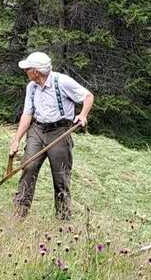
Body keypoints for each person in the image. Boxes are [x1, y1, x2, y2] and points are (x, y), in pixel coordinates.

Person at [9, 52, 94, 220]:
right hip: (37, 130)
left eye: (27, 69)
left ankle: (63, 219)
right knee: (28, 168)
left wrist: (83, 115)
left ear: (36, 72)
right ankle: (19, 214)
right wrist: (16, 139)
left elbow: (88, 96)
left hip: (59, 132)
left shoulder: (62, 82)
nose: (25, 71)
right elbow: (27, 114)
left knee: (61, 177)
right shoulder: (31, 87)